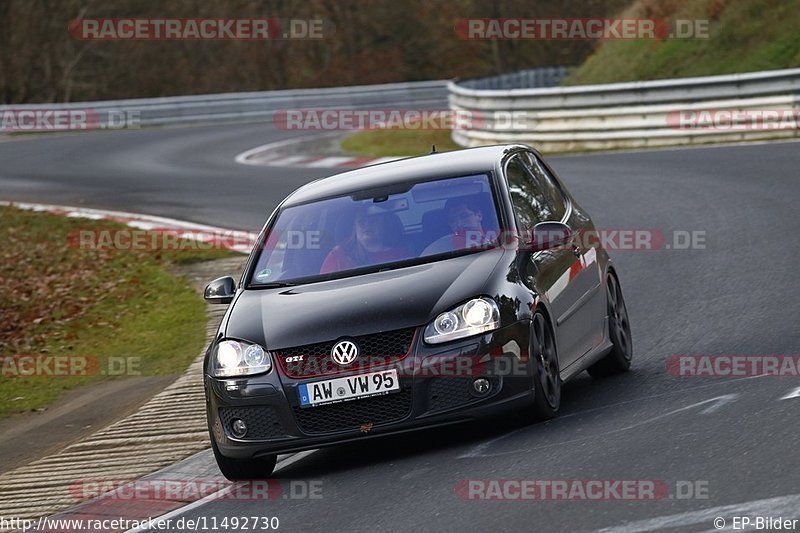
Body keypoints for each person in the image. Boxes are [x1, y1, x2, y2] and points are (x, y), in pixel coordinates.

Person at [320, 206, 409, 274]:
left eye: (373, 221)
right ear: (355, 229)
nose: (367, 225)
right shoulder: (338, 256)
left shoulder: (401, 256)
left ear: (384, 226)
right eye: (362, 222)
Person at [422, 196, 492, 255]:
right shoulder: (439, 247)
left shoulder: (498, 239)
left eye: (464, 216)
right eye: (452, 220)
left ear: (479, 215)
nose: (459, 224)